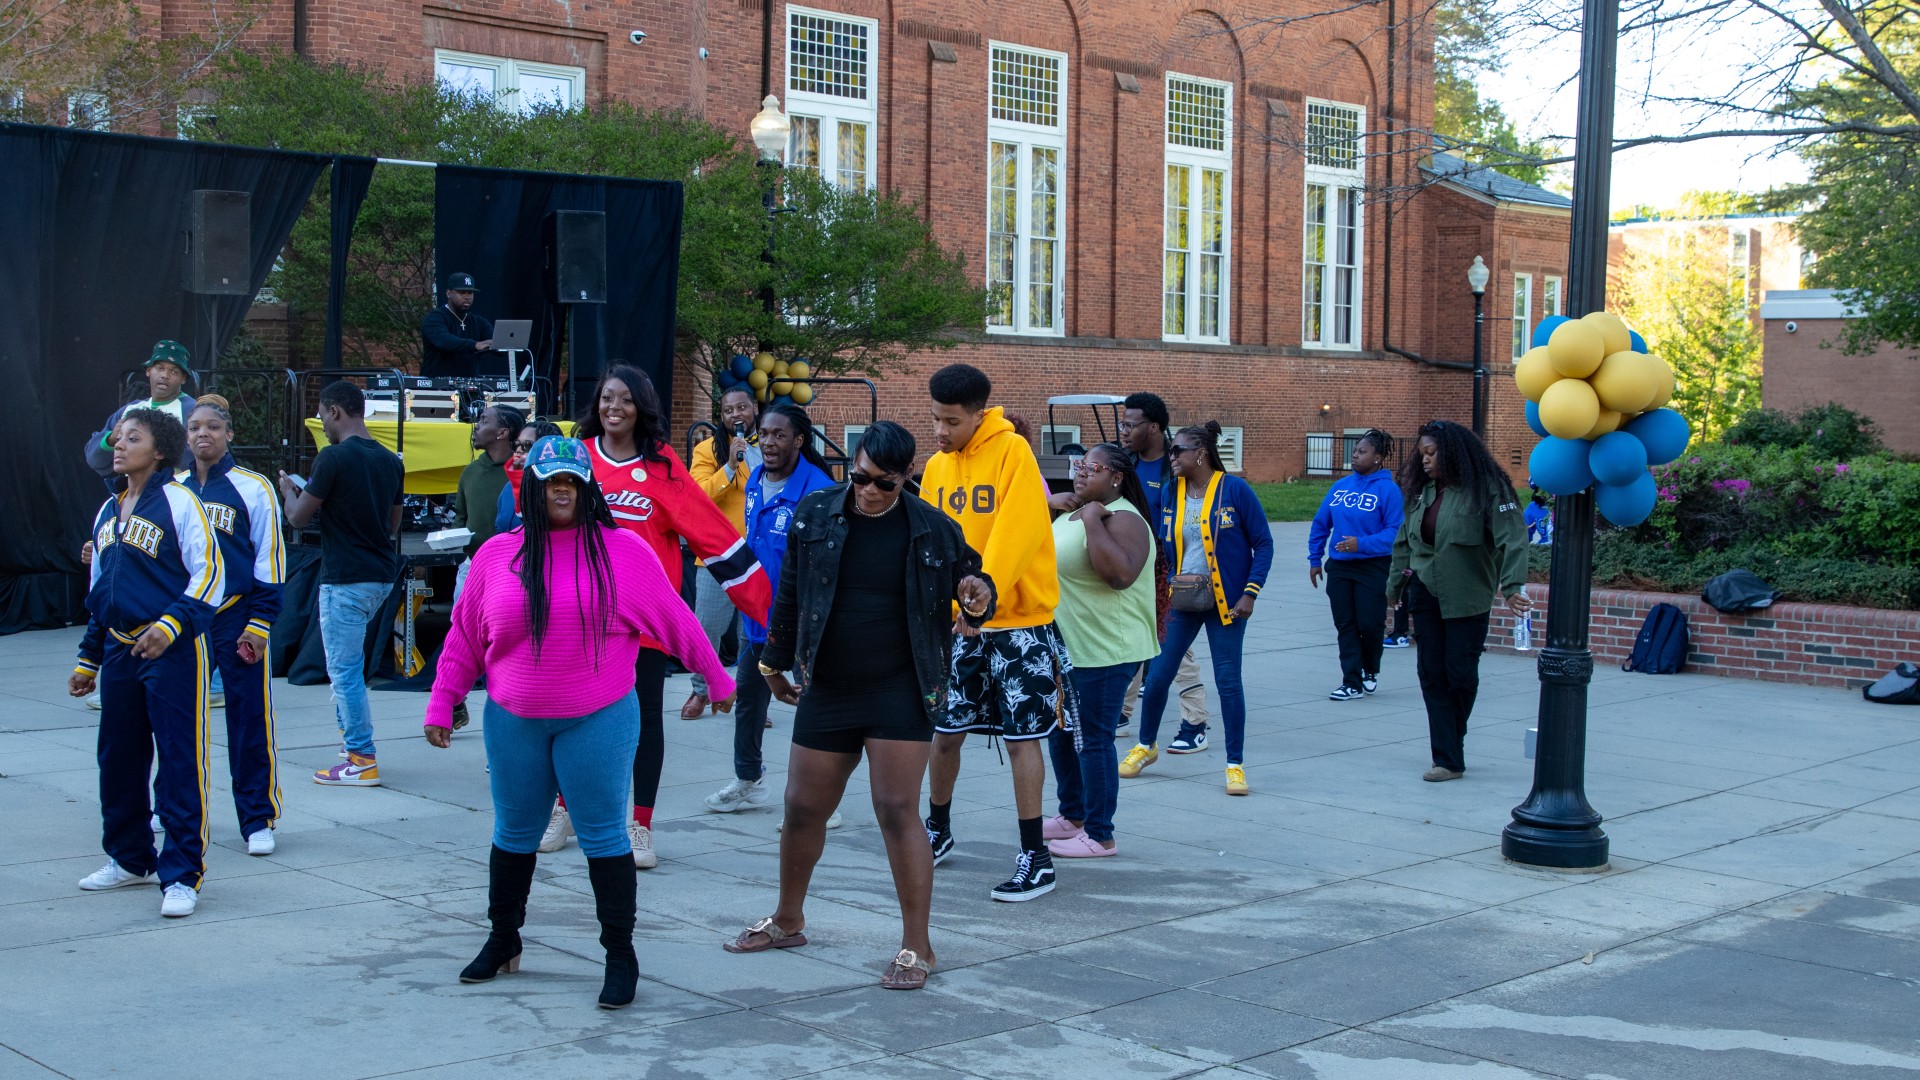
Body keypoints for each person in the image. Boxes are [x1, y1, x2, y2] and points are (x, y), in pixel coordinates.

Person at [425, 436, 734, 1009]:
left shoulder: (623, 552)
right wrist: (443, 701)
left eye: (571, 480)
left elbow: (675, 619)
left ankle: (620, 954)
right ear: (532, 489)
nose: (561, 489)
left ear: (587, 488)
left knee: (602, 837)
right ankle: (503, 938)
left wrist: (714, 677)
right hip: (513, 719)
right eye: (550, 481)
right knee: (514, 835)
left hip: (598, 717)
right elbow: (465, 636)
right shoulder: (497, 555)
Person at [725, 421, 995, 990]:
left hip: (900, 687)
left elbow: (974, 581)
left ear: (905, 479)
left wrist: (978, 598)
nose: (868, 491)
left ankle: (917, 946)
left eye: (883, 484)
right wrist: (773, 663)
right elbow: (791, 593)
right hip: (830, 684)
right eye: (860, 477)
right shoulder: (817, 513)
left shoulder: (932, 529)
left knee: (896, 808)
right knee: (801, 806)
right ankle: (788, 918)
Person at [551, 364, 771, 868]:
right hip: (579, 619)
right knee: (576, 719)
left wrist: (767, 611)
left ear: (642, 407)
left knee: (644, 721)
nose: (614, 408)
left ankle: (641, 825)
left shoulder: (664, 469)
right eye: (607, 398)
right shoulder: (578, 459)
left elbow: (715, 537)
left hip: (643, 621)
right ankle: (566, 809)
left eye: (626, 400)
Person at [920, 363, 1071, 903]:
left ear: (979, 415)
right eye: (935, 418)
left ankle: (1036, 855)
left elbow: (1021, 528)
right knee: (946, 729)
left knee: (1024, 738)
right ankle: (936, 828)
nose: (940, 430)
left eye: (952, 421)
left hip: (1019, 624)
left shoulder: (1014, 454)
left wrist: (986, 586)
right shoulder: (937, 467)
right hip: (960, 625)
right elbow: (934, 540)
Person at [67, 407, 225, 918]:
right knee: (117, 758)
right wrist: (89, 657)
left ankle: (182, 873)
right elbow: (101, 592)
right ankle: (131, 858)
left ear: (158, 450)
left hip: (172, 649)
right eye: (116, 438)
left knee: (179, 760)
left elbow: (209, 577)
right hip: (118, 649)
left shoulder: (180, 502)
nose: (117, 446)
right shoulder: (108, 512)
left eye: (131, 438)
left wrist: (170, 626)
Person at [1121, 421, 1273, 796]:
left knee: (1228, 682)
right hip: (1183, 599)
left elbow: (1264, 544)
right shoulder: (1174, 491)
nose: (1171, 456)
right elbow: (1166, 543)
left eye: (1178, 450)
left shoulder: (1234, 489)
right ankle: (1145, 745)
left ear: (1200, 453)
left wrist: (1250, 593)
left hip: (1227, 604)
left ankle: (1235, 766)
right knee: (1157, 678)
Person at [704, 403, 837, 815]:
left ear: (799, 440)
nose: (771, 443)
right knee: (750, 700)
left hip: (803, 622)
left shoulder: (817, 490)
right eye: (766, 435)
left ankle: (819, 803)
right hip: (757, 617)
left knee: (813, 708)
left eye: (781, 435)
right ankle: (749, 779)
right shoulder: (757, 476)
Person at [1388, 420, 1532, 782]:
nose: (1424, 461)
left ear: (1452, 453)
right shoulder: (1422, 492)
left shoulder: (1488, 489)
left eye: (1431, 453)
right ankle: (1447, 758)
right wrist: (1392, 589)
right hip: (1424, 590)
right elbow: (1404, 542)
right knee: (1430, 673)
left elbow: (1512, 538)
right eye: (1422, 454)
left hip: (1468, 595)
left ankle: (1454, 737)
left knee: (1460, 674)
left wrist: (1513, 586)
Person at [280, 380, 405, 787]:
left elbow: (298, 517)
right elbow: (392, 523)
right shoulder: (391, 461)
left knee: (344, 671)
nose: (321, 422)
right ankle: (349, 743)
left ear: (335, 411)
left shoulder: (331, 458)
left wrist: (287, 491)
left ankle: (360, 758)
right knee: (349, 668)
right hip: (382, 576)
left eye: (321, 414)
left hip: (344, 579)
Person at [180, 398, 287, 856]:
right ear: (185, 437)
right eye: (194, 427)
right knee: (176, 719)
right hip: (185, 619)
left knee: (248, 717)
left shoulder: (253, 487)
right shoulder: (174, 488)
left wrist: (260, 623)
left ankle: (256, 817)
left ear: (228, 434)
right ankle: (174, 808)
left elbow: (270, 559)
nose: (203, 434)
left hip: (238, 615)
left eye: (213, 427)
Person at [1044, 443, 1157, 858]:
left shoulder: (1124, 517)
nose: (1080, 472)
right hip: (1070, 647)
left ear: (1116, 477)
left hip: (1108, 648)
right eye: (1079, 465)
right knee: (1062, 734)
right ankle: (1071, 815)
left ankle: (1099, 833)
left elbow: (1120, 575)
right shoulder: (1074, 510)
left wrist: (1092, 519)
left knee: (1093, 740)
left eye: (1091, 467)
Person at [1116, 392, 1209, 741]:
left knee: (1175, 648)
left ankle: (1196, 721)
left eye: (1130, 424)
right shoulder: (1124, 462)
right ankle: (1121, 715)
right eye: (1122, 423)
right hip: (1129, 569)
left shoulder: (1177, 470)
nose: (1124, 430)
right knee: (1131, 644)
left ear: (1154, 427)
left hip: (1166, 573)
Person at [1308, 429, 1405, 701]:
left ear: (1378, 457)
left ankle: (1369, 670)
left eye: (1362, 451)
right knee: (1345, 624)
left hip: (1373, 567)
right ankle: (1350, 680)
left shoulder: (1389, 490)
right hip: (1339, 567)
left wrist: (1361, 544)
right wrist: (1315, 559)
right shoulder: (1340, 486)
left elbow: (1394, 533)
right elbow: (1320, 523)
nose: (1355, 455)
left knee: (1370, 624)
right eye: (1355, 450)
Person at [684, 387, 762, 718]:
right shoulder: (707, 450)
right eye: (728, 411)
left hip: (759, 557)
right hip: (718, 556)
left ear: (754, 409)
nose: (736, 415)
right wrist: (729, 466)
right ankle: (701, 692)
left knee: (752, 634)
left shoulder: (772, 445)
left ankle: (749, 699)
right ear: (722, 417)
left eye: (741, 408)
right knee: (706, 629)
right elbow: (697, 496)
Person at [85, 340, 197, 482]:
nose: (165, 375)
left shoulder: (194, 410)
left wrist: (161, 443)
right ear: (148, 371)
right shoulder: (130, 409)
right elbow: (94, 460)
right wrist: (111, 439)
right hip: (134, 494)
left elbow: (204, 458)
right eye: (160, 368)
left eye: (174, 371)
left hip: (177, 494)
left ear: (183, 379)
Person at [419, 272, 496, 378]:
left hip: (470, 388)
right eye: (462, 292)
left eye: (470, 292)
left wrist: (502, 344)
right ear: (448, 293)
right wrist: (475, 345)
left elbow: (495, 342)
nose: (467, 296)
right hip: (438, 387)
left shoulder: (479, 322)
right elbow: (444, 340)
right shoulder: (435, 318)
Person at [495, 420, 564, 534]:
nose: (519, 450)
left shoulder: (559, 490)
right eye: (517, 444)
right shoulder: (508, 489)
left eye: (528, 446)